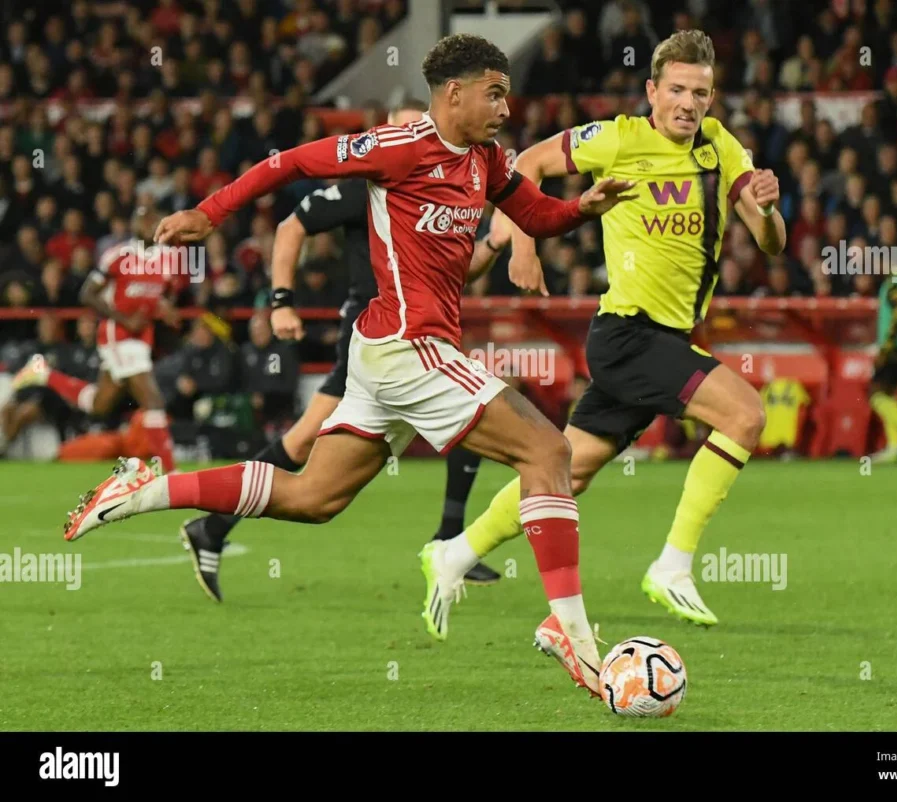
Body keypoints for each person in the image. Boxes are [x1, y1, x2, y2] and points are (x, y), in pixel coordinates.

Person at [62, 33, 638, 697]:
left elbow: (535, 213)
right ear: (454, 93)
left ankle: (144, 491)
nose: (506, 108)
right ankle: (573, 633)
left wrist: (581, 208)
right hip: (407, 347)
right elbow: (290, 163)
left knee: (313, 498)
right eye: (495, 93)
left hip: (389, 353)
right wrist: (210, 212)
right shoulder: (398, 147)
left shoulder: (486, 159)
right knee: (549, 450)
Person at [418, 29, 785, 634]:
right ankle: (673, 565)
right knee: (745, 415)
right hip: (629, 335)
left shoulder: (721, 148)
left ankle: (455, 553)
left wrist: (767, 210)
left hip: (668, 339)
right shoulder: (617, 138)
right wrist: (523, 244)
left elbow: (771, 242)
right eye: (676, 90)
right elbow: (527, 163)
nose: (688, 104)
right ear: (652, 91)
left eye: (700, 93)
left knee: (566, 472)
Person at [179, 99, 507, 604]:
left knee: (307, 442)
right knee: (463, 412)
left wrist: (494, 244)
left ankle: (212, 528)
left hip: (415, 335)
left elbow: (461, 274)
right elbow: (291, 226)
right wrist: (281, 301)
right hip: (374, 336)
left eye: (416, 127)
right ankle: (449, 538)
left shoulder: (442, 185)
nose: (409, 137)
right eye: (399, 128)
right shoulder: (367, 183)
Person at [11, 207, 178, 472]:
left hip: (142, 337)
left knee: (100, 404)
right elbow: (87, 294)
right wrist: (124, 319)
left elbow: (157, 295)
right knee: (153, 401)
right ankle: (171, 471)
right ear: (134, 225)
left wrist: (164, 308)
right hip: (118, 335)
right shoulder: (118, 255)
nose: (148, 225)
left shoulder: (167, 260)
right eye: (142, 219)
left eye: (153, 220)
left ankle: (44, 373)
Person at [867, 273, 897, 463]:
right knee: (889, 396)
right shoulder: (896, 282)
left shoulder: (894, 283)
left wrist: (885, 348)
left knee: (876, 395)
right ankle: (894, 446)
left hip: (894, 348)